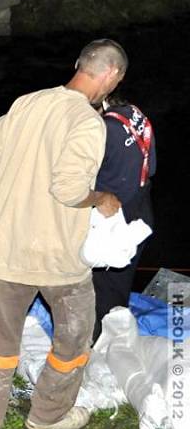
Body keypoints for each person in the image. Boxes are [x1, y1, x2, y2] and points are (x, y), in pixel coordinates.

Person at [0, 39, 127, 429]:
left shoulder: (29, 102)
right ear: (112, 76)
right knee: (73, 343)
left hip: (8, 252)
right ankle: (47, 417)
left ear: (79, 64)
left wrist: (25, 161)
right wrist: (102, 199)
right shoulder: (89, 123)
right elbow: (70, 188)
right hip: (60, 261)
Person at [92, 93, 156, 340]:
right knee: (119, 288)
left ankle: (100, 349)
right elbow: (151, 167)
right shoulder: (135, 115)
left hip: (115, 222)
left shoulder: (105, 128)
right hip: (141, 214)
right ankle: (115, 341)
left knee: (103, 292)